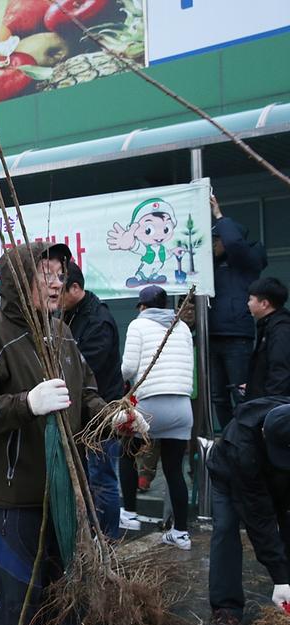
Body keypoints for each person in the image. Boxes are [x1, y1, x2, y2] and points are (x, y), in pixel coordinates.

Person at [0, 243, 106, 625]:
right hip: (11, 499)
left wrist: (113, 417)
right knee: (21, 604)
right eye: (46, 273)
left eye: (60, 273)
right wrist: (27, 402)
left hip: (62, 493)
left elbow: (86, 392)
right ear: (18, 282)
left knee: (69, 596)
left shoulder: (61, 333)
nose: (57, 281)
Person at [207, 398, 290, 625]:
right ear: (264, 434)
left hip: (279, 483)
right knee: (225, 529)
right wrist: (280, 577)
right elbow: (259, 518)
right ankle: (226, 612)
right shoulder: (242, 447)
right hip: (230, 477)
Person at [119, 286, 195, 549]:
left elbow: (128, 368)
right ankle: (181, 533)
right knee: (174, 469)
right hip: (182, 407)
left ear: (142, 307)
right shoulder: (182, 327)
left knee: (127, 453)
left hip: (150, 406)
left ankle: (129, 514)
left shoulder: (138, 325)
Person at [59, 260, 125, 539]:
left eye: (59, 290)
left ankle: (107, 539)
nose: (54, 297)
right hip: (79, 412)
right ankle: (87, 537)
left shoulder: (99, 321)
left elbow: (84, 372)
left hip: (100, 414)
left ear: (75, 288)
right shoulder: (69, 315)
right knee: (85, 478)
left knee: (102, 480)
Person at [209, 196, 267, 428]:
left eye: (217, 239)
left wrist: (219, 215)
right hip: (213, 336)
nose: (213, 244)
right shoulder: (211, 265)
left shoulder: (247, 262)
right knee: (217, 397)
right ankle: (229, 440)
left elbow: (234, 243)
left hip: (237, 337)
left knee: (241, 394)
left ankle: (247, 438)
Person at [244, 277, 290, 400]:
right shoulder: (268, 325)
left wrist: (270, 403)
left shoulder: (281, 329)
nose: (248, 303)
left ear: (264, 304)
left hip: (272, 407)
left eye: (251, 299)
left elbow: (280, 370)